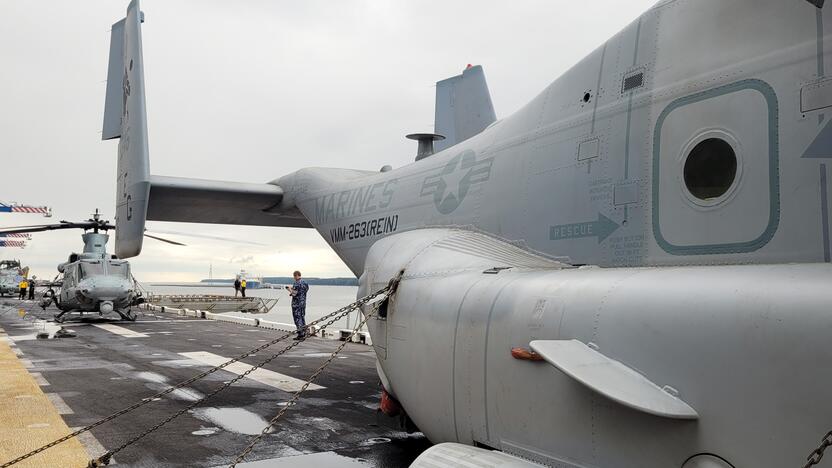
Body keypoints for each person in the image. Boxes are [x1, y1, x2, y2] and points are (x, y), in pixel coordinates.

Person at [286, 271, 309, 340]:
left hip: (296, 304)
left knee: (297, 318)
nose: (294, 278)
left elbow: (295, 293)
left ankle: (300, 334)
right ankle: (304, 332)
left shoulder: (296, 283)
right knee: (302, 317)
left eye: (294, 276)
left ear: (296, 275)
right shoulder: (305, 283)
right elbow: (304, 291)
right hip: (303, 303)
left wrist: (289, 289)